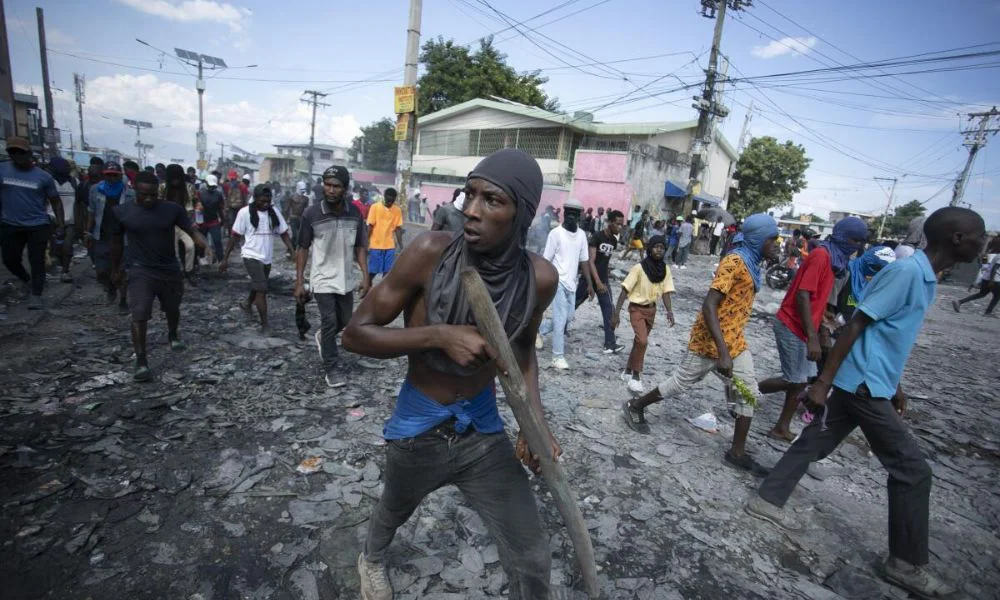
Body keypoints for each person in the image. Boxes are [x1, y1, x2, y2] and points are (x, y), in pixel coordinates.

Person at [342, 149, 558, 600]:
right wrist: (438, 335)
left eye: (492, 201)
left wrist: (533, 423)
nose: (472, 212)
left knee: (533, 553)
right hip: (419, 426)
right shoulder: (429, 253)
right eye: (470, 194)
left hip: (482, 429)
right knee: (394, 508)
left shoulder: (538, 278)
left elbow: (522, 351)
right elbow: (355, 335)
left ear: (522, 214)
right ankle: (373, 557)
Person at [748, 208, 984, 599]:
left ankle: (767, 498)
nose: (985, 242)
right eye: (979, 235)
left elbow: (888, 335)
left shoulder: (924, 277)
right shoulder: (907, 273)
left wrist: (896, 384)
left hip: (873, 381)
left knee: (816, 440)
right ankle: (904, 563)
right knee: (912, 470)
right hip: (862, 385)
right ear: (956, 238)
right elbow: (856, 324)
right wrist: (822, 382)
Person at [624, 214, 781, 476]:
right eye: (772, 238)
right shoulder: (734, 262)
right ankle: (636, 406)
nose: (777, 244)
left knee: (748, 392)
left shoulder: (753, 263)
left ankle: (737, 453)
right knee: (681, 382)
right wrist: (722, 352)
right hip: (710, 339)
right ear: (757, 239)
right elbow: (709, 306)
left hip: (735, 340)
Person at [758, 217, 868, 442]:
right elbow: (802, 295)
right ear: (841, 236)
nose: (856, 245)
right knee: (793, 379)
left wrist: (824, 325)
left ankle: (782, 426)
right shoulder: (821, 256)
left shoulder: (836, 261)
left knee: (802, 380)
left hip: (805, 326)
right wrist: (813, 338)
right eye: (853, 240)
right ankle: (746, 390)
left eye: (860, 241)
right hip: (791, 323)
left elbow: (817, 299)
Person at [109, 171, 205, 382]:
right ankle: (141, 361)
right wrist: (116, 269)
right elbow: (115, 243)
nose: (149, 199)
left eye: (153, 194)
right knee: (140, 313)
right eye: (144, 195)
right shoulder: (122, 212)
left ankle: (172, 333)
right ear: (135, 191)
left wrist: (199, 240)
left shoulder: (172, 210)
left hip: (169, 268)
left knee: (172, 308)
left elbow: (189, 227)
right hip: (140, 269)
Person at [295, 166, 370, 386]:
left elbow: (360, 247)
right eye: (327, 185)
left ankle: (322, 337)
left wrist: (366, 277)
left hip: (345, 277)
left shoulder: (355, 213)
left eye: (336, 186)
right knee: (329, 321)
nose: (331, 190)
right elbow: (302, 248)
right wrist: (299, 281)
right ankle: (331, 367)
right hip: (322, 277)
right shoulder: (312, 214)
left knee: (345, 321)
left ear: (345, 189)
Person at [0, 137, 64, 309]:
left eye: (20, 152)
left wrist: (60, 223)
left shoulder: (43, 177)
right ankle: (27, 280)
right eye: (13, 152)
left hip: (37, 224)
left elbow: (55, 201)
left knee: (37, 260)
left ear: (28, 153)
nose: (17, 155)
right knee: (9, 259)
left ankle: (36, 294)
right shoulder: (2, 170)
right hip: (10, 223)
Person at [220, 184, 293, 331]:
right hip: (251, 255)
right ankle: (265, 324)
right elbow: (234, 236)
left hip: (266, 256)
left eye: (268, 201)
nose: (265, 204)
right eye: (262, 201)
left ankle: (247, 303)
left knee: (259, 283)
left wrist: (292, 250)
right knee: (262, 289)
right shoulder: (244, 213)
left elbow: (283, 232)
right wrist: (225, 259)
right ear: (255, 199)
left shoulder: (274, 213)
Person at [612, 235, 675, 393]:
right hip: (637, 309)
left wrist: (669, 311)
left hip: (651, 310)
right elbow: (624, 290)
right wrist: (616, 313)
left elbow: (666, 292)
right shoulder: (639, 268)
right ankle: (636, 376)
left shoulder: (664, 270)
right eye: (656, 247)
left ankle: (627, 370)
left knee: (638, 342)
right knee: (643, 341)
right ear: (649, 248)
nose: (659, 250)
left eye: (662, 247)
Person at [537, 198, 593, 370]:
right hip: (558, 282)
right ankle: (557, 357)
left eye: (575, 214)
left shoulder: (582, 235)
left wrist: (589, 284)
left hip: (572, 283)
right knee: (561, 321)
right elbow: (546, 260)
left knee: (568, 318)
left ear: (579, 216)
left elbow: (584, 261)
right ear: (564, 214)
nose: (571, 217)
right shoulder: (555, 234)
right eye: (568, 213)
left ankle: (537, 330)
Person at [87, 162, 134, 309]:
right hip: (101, 235)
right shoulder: (95, 190)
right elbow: (92, 212)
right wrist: (87, 232)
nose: (111, 178)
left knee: (122, 270)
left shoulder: (129, 193)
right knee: (102, 271)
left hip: (123, 238)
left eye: (115, 175)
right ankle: (111, 287)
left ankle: (123, 300)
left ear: (120, 176)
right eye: (109, 175)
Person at [589, 210, 625, 355]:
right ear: (609, 222)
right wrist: (597, 282)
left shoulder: (614, 241)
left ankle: (610, 344)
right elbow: (591, 261)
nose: (620, 227)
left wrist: (606, 276)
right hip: (590, 280)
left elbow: (605, 260)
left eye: (622, 225)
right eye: (617, 224)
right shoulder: (597, 237)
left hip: (603, 280)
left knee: (608, 310)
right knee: (572, 306)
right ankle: (550, 329)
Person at [161, 164, 198, 281]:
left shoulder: (189, 188)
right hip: (167, 223)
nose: (175, 181)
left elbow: (195, 203)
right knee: (174, 250)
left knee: (190, 246)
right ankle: (176, 272)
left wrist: (195, 220)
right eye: (173, 178)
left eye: (178, 178)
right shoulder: (162, 187)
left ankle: (188, 271)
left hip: (184, 223)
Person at [47, 157, 77, 283]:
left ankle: (65, 271)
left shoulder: (73, 182)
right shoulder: (49, 181)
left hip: (68, 220)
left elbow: (78, 202)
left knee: (67, 247)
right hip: (50, 219)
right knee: (54, 248)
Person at [366, 187, 403, 279]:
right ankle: (366, 288)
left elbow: (398, 229)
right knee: (373, 272)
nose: (390, 203)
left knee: (387, 273)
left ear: (395, 199)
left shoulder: (397, 210)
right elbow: (370, 226)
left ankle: (382, 292)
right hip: (375, 245)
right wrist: (366, 241)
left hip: (390, 246)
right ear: (384, 197)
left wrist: (401, 245)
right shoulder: (375, 207)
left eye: (392, 201)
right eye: (388, 200)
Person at [952, 251, 1000, 316]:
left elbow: (984, 264)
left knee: (982, 294)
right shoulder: (990, 254)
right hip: (993, 278)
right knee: (997, 296)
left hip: (986, 276)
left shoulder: (991, 254)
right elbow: (988, 266)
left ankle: (959, 302)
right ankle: (988, 312)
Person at [195, 174, 225, 262]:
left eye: (213, 186)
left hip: (213, 221)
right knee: (201, 242)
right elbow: (196, 207)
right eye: (210, 185)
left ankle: (221, 260)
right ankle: (201, 259)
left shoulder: (218, 194)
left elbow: (220, 208)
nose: (212, 188)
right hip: (202, 222)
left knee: (217, 241)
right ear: (206, 183)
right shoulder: (200, 193)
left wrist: (222, 220)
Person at [284, 181, 310, 248]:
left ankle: (297, 249)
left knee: (300, 235)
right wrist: (286, 219)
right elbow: (287, 208)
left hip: (301, 218)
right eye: (301, 190)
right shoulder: (292, 197)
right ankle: (291, 249)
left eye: (303, 190)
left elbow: (306, 209)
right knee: (295, 235)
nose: (303, 192)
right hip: (293, 218)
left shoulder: (306, 199)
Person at [222, 170, 248, 235]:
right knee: (235, 223)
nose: (232, 180)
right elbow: (245, 197)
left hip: (234, 208)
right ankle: (234, 235)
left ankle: (233, 235)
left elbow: (226, 197)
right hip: (237, 207)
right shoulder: (242, 186)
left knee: (233, 222)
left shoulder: (226, 186)